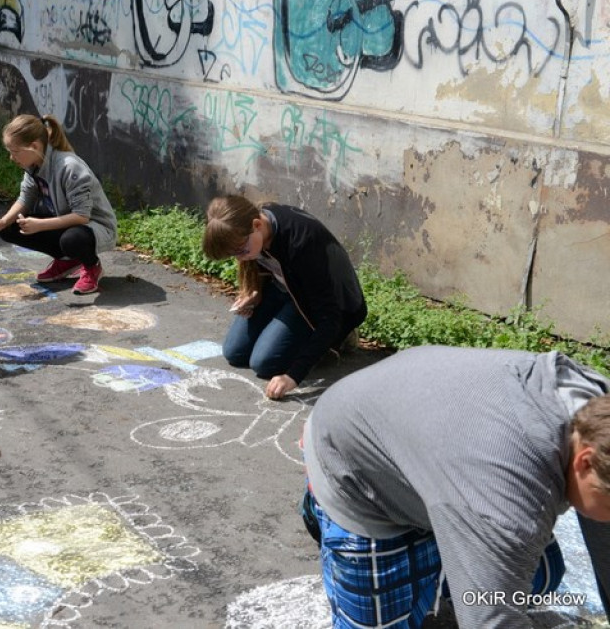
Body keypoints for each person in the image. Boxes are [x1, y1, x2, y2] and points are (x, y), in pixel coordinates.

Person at [301, 345, 610, 628]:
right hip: (356, 469)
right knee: (496, 588)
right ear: (584, 461)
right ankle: (432, 571)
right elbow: (493, 621)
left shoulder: (594, 402)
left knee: (542, 573)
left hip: (430, 446)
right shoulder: (504, 503)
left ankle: (439, 572)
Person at [202, 195, 365, 399]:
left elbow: (330, 318)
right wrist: (255, 293)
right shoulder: (254, 227)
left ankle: (338, 342)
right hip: (286, 289)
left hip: (328, 304)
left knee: (264, 363)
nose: (240, 258)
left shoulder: (302, 243)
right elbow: (267, 266)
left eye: (242, 251)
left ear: (257, 225)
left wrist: (292, 376)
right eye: (234, 255)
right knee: (234, 352)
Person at [0, 114, 117, 295]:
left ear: (34, 146)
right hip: (67, 221)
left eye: (15, 151)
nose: (11, 157)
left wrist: (39, 225)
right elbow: (25, 198)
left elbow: (82, 216)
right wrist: (2, 222)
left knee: (72, 240)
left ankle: (91, 266)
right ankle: (67, 260)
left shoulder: (70, 167)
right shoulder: (34, 165)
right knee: (9, 228)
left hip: (94, 227)